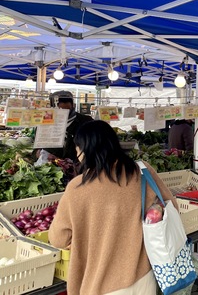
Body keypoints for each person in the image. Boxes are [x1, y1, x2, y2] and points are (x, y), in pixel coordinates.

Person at [48, 120, 180, 294]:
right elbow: (172, 208)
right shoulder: (142, 172)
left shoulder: (77, 188)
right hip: (143, 278)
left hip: (98, 285)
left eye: (77, 147)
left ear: (85, 150)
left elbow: (59, 239)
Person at [43, 90, 93, 163]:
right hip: (52, 169)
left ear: (72, 105)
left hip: (80, 167)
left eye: (66, 110)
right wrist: (39, 154)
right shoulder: (45, 122)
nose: (62, 112)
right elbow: (36, 149)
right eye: (59, 109)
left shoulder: (86, 122)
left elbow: (95, 146)